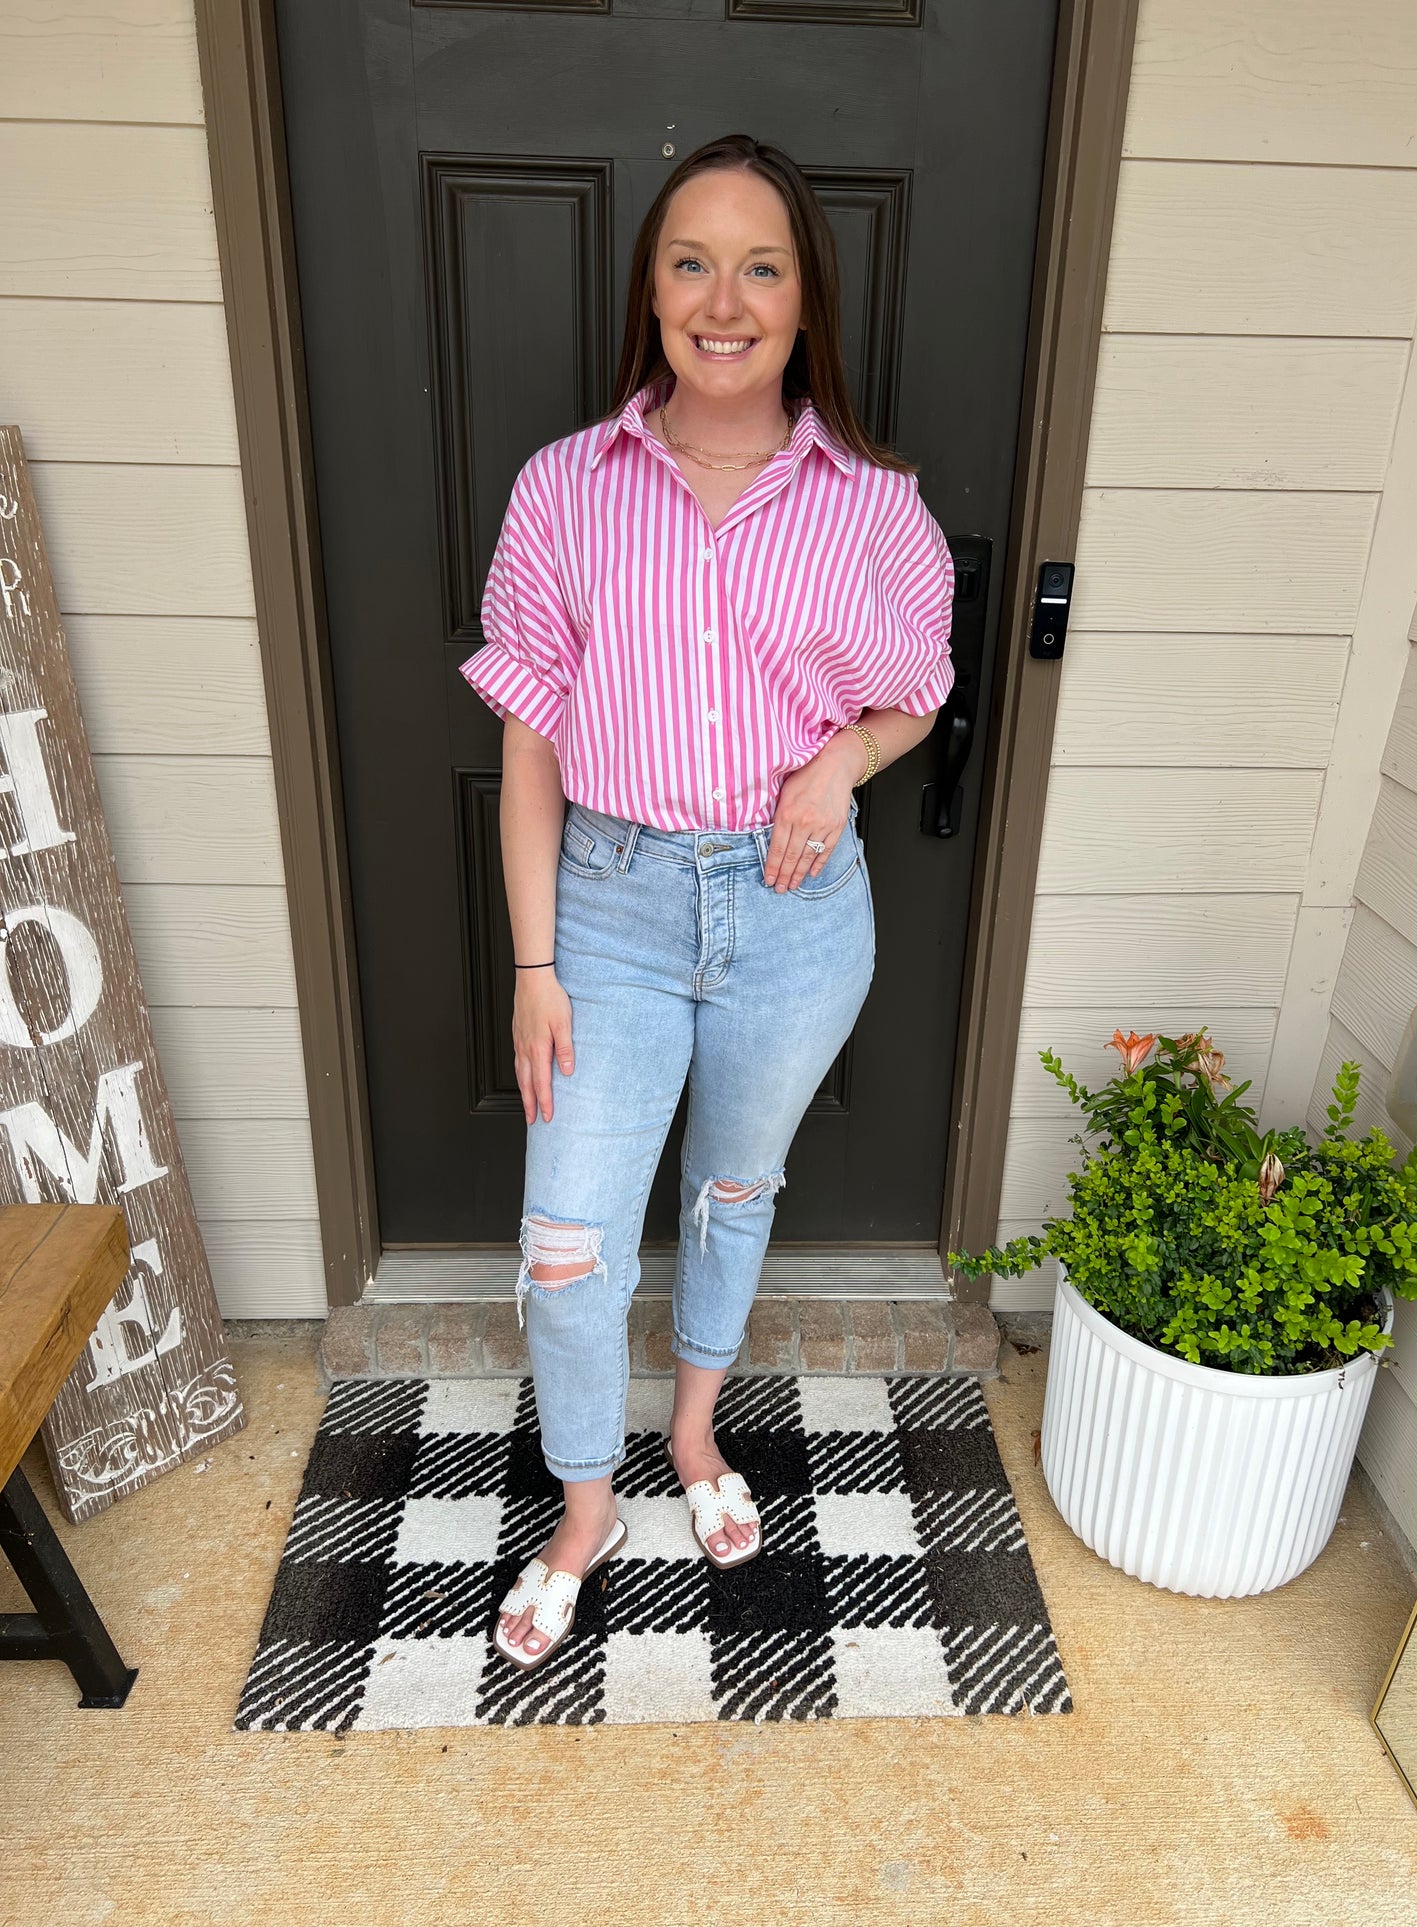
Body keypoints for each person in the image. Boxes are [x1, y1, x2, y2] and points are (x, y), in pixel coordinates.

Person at [459, 134, 955, 1672]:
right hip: (603, 904)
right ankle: (586, 1502)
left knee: (735, 1192)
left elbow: (921, 688)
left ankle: (689, 1429)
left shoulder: (872, 504)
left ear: (806, 301)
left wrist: (841, 764)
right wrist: (535, 964)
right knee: (563, 1241)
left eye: (760, 266)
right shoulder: (566, 487)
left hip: (794, 910)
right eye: (690, 262)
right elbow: (527, 743)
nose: (721, 300)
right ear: (650, 290)